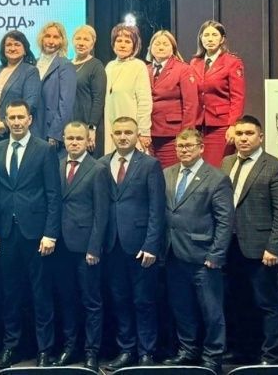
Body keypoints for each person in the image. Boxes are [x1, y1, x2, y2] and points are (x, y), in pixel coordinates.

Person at [0, 100, 61, 370]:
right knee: (10, 294)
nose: (17, 122)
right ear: (6, 120)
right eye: (12, 118)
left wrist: (50, 233)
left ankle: (44, 350)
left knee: (41, 294)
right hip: (6, 234)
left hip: (37, 234)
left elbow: (53, 195)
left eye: (21, 117)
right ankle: (11, 347)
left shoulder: (44, 149)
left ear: (30, 119)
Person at [221, 115, 278, 365]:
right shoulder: (227, 162)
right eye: (239, 134)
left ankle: (270, 355)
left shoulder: (275, 167)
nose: (243, 138)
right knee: (237, 301)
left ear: (260, 137)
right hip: (231, 246)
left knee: (266, 304)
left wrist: (274, 247)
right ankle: (242, 350)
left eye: (249, 133)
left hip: (261, 249)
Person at [162, 128, 233, 374]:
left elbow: (225, 221)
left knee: (211, 311)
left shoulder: (216, 178)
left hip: (204, 257)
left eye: (189, 146)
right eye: (180, 146)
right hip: (172, 254)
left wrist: (216, 254)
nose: (184, 150)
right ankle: (187, 351)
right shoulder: (167, 174)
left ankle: (213, 357)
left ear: (201, 148)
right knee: (181, 308)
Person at [102, 116, 167, 369]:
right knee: (119, 300)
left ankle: (146, 353)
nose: (123, 137)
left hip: (141, 246)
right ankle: (126, 350)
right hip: (112, 245)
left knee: (144, 301)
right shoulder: (102, 163)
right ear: (112, 136)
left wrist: (152, 245)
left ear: (136, 134)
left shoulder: (150, 164)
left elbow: (157, 208)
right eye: (118, 132)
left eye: (128, 132)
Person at [52, 122, 111, 370]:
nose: (74, 142)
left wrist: (94, 248)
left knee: (91, 301)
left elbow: (102, 213)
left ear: (88, 141)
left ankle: (91, 352)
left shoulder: (97, 169)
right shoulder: (56, 165)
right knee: (67, 299)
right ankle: (69, 348)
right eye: (70, 138)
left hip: (86, 247)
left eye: (79, 138)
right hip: (61, 246)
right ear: (64, 139)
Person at [189, 20, 246, 166]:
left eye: (214, 35)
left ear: (222, 39)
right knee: (199, 168)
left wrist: (233, 125)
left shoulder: (232, 62)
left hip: (221, 126)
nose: (210, 39)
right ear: (200, 38)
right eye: (206, 35)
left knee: (216, 168)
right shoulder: (195, 62)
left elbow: (237, 97)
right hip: (198, 125)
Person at [147, 30, 199, 168]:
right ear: (150, 48)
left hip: (172, 133)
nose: (161, 47)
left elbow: (191, 104)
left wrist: (186, 134)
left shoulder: (183, 69)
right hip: (149, 133)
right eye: (157, 44)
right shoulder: (145, 69)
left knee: (170, 173)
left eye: (165, 44)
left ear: (173, 48)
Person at [0, 30, 40, 147]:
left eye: (17, 45)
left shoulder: (30, 71)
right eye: (8, 45)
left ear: (25, 50)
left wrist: (5, 124)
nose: (12, 48)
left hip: (16, 131)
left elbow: (30, 103)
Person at [104, 23, 152, 155]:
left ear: (134, 45)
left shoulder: (139, 66)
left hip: (131, 127)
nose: (122, 45)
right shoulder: (109, 66)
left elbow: (145, 101)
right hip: (111, 128)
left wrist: (144, 131)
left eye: (127, 41)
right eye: (119, 41)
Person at [36, 22, 77, 152]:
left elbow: (66, 104)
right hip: (34, 128)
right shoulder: (33, 63)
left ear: (62, 41)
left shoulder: (66, 65)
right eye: (47, 36)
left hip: (51, 130)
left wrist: (55, 133)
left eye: (56, 37)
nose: (51, 41)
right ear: (41, 38)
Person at [71, 25, 107, 157]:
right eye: (78, 39)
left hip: (88, 124)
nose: (81, 43)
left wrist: (92, 128)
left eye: (86, 39)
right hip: (70, 125)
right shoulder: (66, 65)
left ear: (92, 44)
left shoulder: (96, 66)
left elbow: (98, 99)